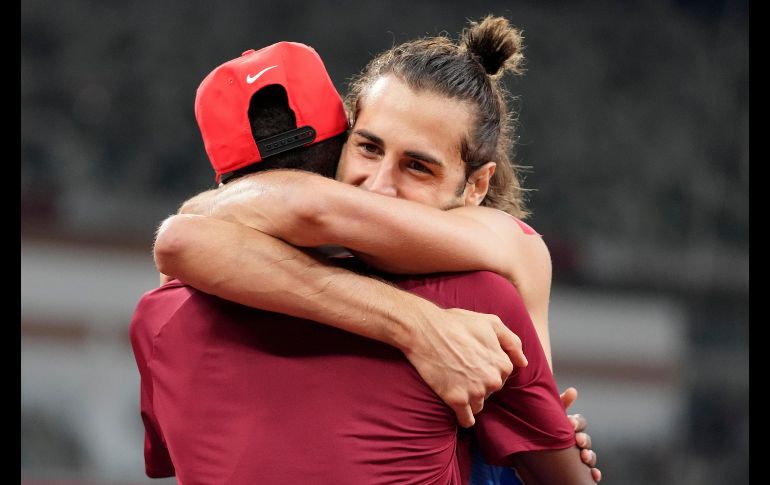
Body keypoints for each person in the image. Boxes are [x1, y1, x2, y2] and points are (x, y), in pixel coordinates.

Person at [141, 29, 597, 483]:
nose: (377, 187)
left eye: (417, 166)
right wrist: (418, 325)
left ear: (476, 186)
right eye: (368, 147)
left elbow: (294, 211)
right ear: (344, 137)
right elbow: (184, 242)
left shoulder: (505, 248)